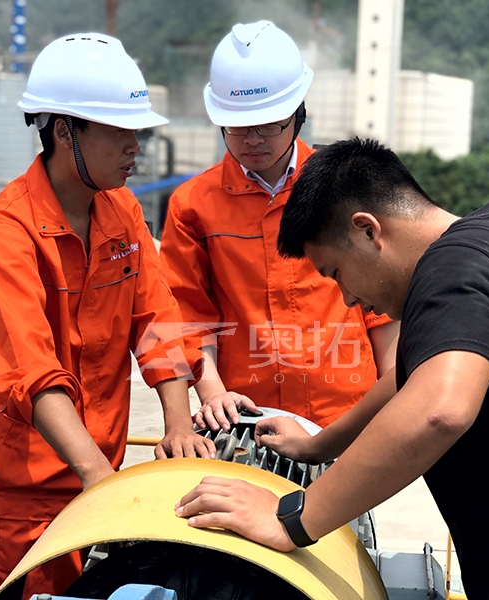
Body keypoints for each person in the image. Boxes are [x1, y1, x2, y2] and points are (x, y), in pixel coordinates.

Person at [175, 137, 489, 598]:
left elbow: (439, 410)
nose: (348, 298)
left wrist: (291, 520)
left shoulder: (456, 269)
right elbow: (411, 377)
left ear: (367, 230)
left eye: (335, 273)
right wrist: (319, 445)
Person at [0, 33, 214, 600]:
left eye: (138, 131)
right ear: (64, 131)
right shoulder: (6, 234)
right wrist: (99, 480)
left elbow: (157, 318)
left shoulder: (122, 210)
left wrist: (178, 423)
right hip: (21, 495)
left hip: (96, 474)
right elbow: (31, 372)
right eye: (120, 131)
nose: (135, 146)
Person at [159, 21, 399, 432]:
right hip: (250, 419)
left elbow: (383, 305)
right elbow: (188, 315)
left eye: (269, 123)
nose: (252, 139)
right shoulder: (193, 205)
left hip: (348, 416)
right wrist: (213, 394)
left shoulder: (345, 188)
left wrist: (390, 398)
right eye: (237, 125)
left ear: (297, 113)